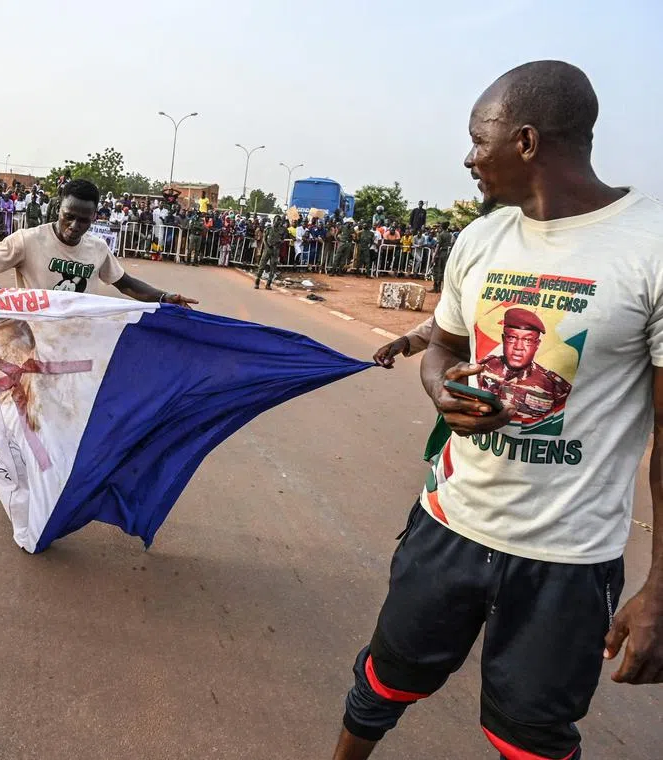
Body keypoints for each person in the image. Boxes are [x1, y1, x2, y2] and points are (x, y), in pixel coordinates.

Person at [333, 60, 663, 760]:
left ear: (528, 142)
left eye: (478, 139)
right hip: (447, 527)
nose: (468, 157)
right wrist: (441, 391)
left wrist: (661, 588)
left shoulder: (651, 245)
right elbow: (441, 351)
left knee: (532, 738)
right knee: (383, 682)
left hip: (567, 562)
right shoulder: (481, 238)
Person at [0, 179, 197, 306]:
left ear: (94, 217)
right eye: (69, 217)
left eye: (83, 220)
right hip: (35, 344)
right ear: (59, 209)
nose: (74, 226)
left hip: (79, 343)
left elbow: (125, 284)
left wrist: (164, 297)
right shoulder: (28, 240)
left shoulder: (97, 248)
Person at [254, 216, 284, 289]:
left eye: (280, 221)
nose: (278, 222)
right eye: (277, 220)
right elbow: (264, 238)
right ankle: (257, 281)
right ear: (274, 221)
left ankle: (268, 283)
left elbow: (282, 239)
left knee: (273, 267)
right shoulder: (269, 229)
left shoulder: (281, 231)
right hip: (268, 249)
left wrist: (279, 243)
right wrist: (268, 245)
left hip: (275, 250)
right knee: (262, 265)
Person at [432, 221, 453, 292]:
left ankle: (436, 287)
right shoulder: (450, 235)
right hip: (448, 253)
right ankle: (441, 287)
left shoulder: (441, 235)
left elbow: (438, 246)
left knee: (438, 269)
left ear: (441, 227)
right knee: (444, 269)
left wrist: (434, 256)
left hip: (441, 253)